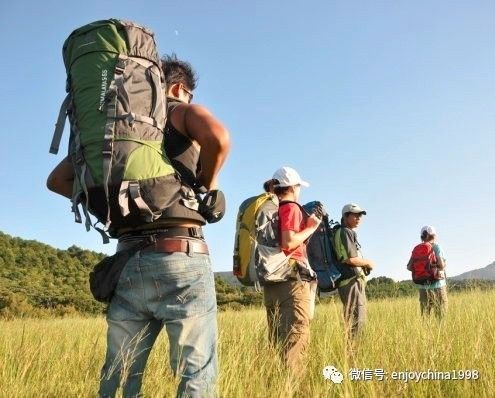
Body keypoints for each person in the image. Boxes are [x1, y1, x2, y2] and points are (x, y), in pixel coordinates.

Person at [47, 54, 230, 398]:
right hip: (180, 254)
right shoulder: (177, 109)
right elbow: (218, 137)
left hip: (127, 262)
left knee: (118, 374)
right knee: (196, 372)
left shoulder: (113, 130)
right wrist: (210, 183)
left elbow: (57, 180)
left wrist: (113, 207)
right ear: (177, 87)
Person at [262, 166, 321, 373]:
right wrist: (311, 227)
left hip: (271, 280)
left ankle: (278, 385)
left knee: (278, 338)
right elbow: (288, 242)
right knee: (295, 339)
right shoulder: (290, 207)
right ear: (294, 187)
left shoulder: (270, 209)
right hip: (292, 280)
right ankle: (293, 388)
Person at [333, 203, 374, 339]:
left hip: (347, 282)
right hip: (351, 281)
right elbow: (351, 259)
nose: (358, 218)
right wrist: (368, 262)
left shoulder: (341, 232)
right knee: (358, 321)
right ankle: (354, 354)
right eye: (355, 215)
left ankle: (351, 352)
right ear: (345, 216)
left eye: (360, 215)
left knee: (352, 319)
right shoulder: (346, 232)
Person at [407, 225, 447, 319]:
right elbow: (441, 265)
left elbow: (409, 267)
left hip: (423, 287)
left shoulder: (417, 249)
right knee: (440, 318)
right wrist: (443, 264)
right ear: (433, 235)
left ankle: (426, 334)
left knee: (425, 318)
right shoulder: (436, 247)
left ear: (422, 236)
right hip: (438, 286)